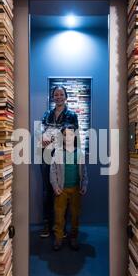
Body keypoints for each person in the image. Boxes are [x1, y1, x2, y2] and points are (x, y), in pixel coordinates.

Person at [40, 86, 78, 238]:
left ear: (66, 96)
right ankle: (47, 224)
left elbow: (73, 137)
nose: (59, 97)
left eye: (61, 94)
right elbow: (41, 133)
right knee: (47, 190)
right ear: (52, 97)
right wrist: (42, 139)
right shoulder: (46, 114)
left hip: (63, 155)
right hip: (46, 154)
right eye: (56, 94)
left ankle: (62, 227)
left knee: (63, 189)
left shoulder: (72, 115)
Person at [50, 125, 88, 251]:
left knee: (75, 215)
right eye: (65, 135)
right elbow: (53, 171)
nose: (68, 138)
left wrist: (84, 185)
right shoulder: (58, 152)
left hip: (76, 189)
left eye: (71, 135)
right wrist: (55, 186)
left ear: (75, 136)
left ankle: (74, 237)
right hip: (61, 190)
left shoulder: (79, 153)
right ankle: (58, 238)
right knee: (59, 215)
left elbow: (84, 171)